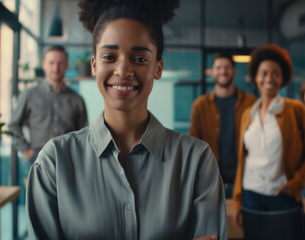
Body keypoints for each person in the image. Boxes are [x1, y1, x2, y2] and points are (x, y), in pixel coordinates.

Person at [26, 0, 227, 239]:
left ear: (158, 68)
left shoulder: (197, 162)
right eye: (109, 57)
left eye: (140, 59)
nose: (123, 70)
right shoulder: (54, 162)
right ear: (93, 65)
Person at [232, 44, 305, 229]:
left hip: (282, 193)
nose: (269, 78)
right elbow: (243, 161)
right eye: (263, 73)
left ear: (283, 78)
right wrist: (238, 201)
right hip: (251, 194)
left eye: (275, 73)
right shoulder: (248, 114)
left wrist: (296, 183)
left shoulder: (296, 110)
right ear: (255, 77)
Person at [8, 45, 88, 178]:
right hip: (37, 162)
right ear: (44, 64)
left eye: (60, 63)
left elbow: (85, 134)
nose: (56, 68)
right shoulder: (29, 95)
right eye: (51, 63)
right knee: (37, 199)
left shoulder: (77, 99)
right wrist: (27, 151)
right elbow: (13, 126)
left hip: (68, 164)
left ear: (67, 65)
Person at [189, 52, 256, 198]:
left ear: (234, 71)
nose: (223, 71)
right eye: (218, 68)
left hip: (245, 177)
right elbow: (193, 142)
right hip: (210, 177)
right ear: (212, 72)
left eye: (227, 67)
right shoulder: (200, 105)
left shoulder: (250, 102)